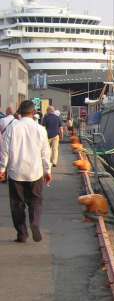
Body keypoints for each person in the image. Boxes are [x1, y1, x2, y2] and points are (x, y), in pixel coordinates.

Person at [0, 99, 51, 242]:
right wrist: (48, 171)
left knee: (17, 204)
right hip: (35, 172)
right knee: (35, 201)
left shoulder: (13, 128)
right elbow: (45, 153)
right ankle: (34, 223)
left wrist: (2, 169)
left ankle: (22, 234)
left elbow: (4, 150)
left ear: (20, 113)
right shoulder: (40, 129)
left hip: (16, 172)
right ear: (34, 113)